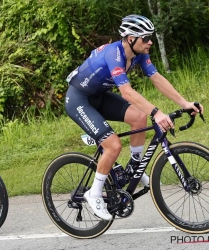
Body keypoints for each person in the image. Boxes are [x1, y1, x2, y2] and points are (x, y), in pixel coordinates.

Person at [65, 14, 203, 220]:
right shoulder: (115, 54)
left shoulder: (138, 54)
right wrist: (156, 113)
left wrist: (184, 103)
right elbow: (127, 93)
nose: (150, 42)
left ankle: (134, 168)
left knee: (139, 117)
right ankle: (94, 194)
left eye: (151, 38)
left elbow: (156, 78)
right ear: (131, 39)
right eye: (146, 38)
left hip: (99, 96)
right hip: (79, 99)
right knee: (113, 145)